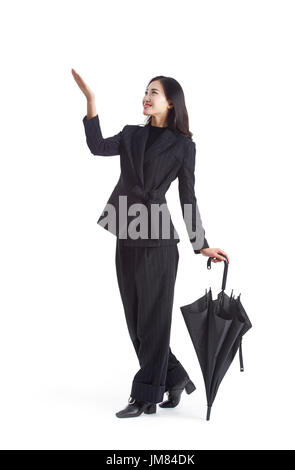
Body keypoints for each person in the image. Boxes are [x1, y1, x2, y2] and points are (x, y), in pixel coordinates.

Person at [72, 69, 230, 418]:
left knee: (153, 323)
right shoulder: (130, 135)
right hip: (125, 229)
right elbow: (97, 147)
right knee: (136, 323)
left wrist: (200, 244)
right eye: (146, 91)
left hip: (158, 239)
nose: (147, 96)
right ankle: (173, 377)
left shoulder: (183, 146)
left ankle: (145, 397)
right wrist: (91, 102)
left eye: (154, 92)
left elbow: (188, 196)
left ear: (171, 103)